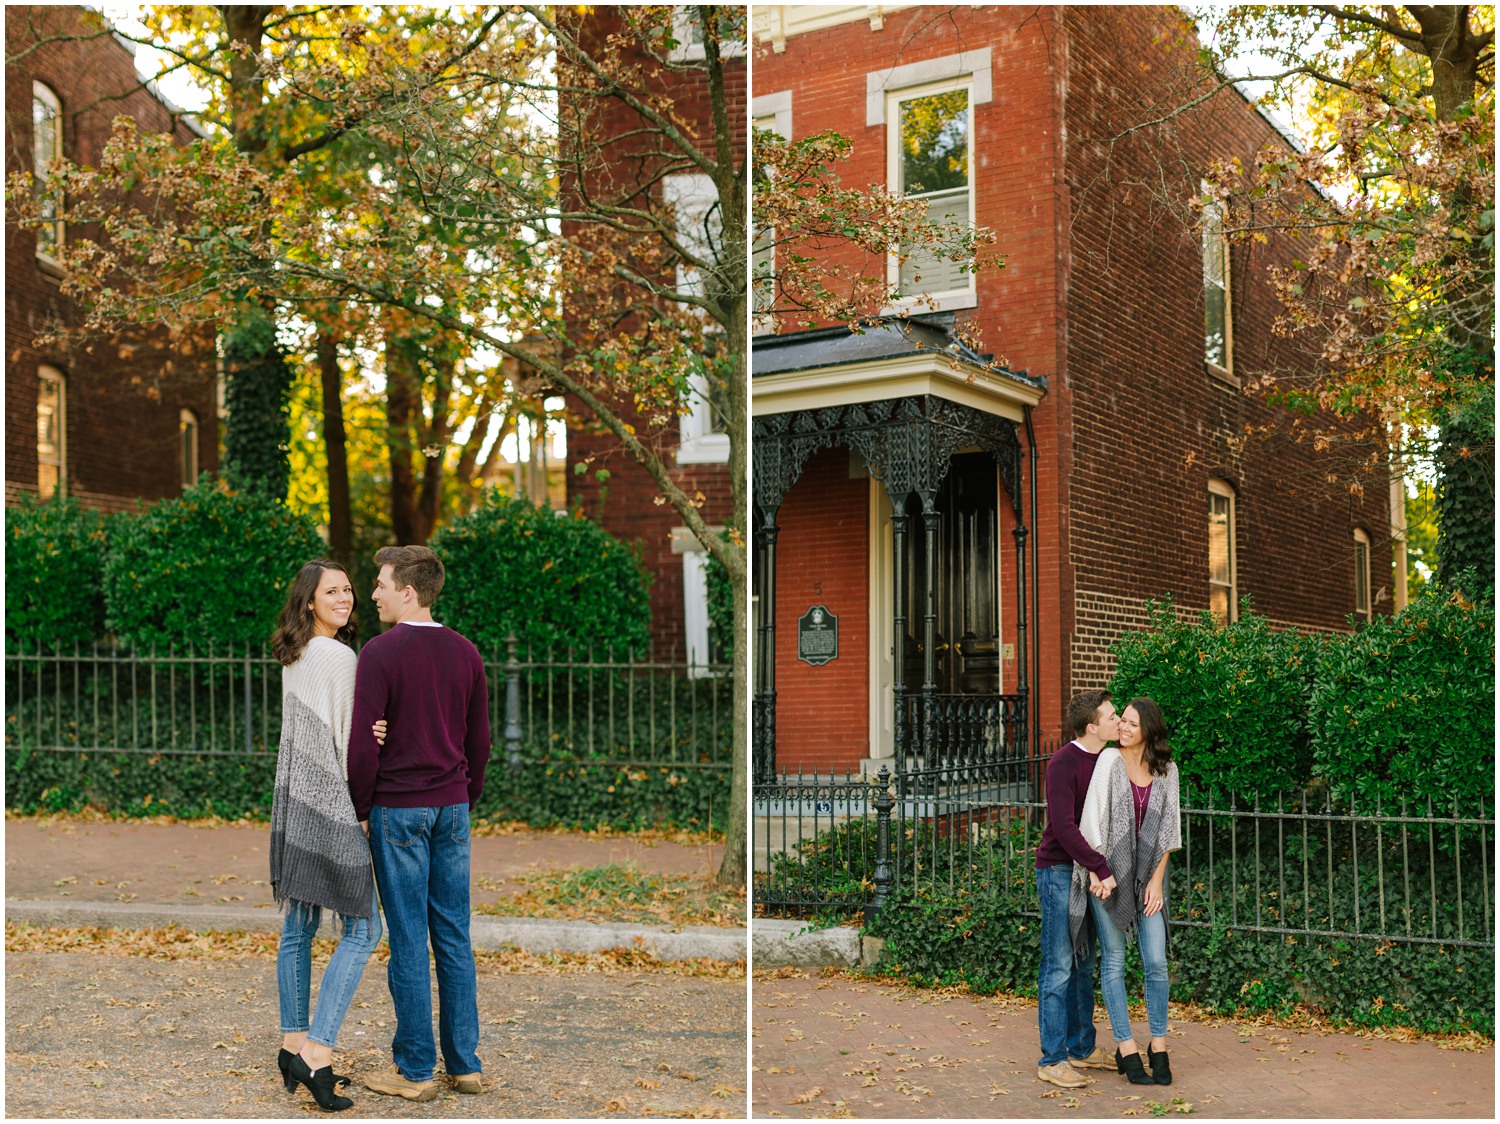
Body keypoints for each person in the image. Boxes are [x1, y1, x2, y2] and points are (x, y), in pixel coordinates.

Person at [348, 545, 491, 1101]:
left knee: (408, 938)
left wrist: (362, 808)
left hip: (398, 808)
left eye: (381, 583)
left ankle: (414, 1072)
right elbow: (478, 742)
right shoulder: (466, 653)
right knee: (453, 934)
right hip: (451, 806)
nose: (374, 593)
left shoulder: (381, 654)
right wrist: (464, 796)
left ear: (409, 591)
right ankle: (465, 1065)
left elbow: (364, 744)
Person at [269, 560, 381, 1113]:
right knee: (364, 927)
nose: (345, 598)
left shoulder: (298, 654)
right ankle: (316, 1053)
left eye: (348, 589)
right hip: (332, 802)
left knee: (299, 923)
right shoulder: (339, 656)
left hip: (295, 801)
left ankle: (292, 1042)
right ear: (308, 602)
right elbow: (354, 741)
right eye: (331, 591)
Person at [1072, 696, 1182, 1086]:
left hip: (1151, 877)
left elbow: (1170, 832)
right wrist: (1099, 872)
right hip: (1108, 876)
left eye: (1133, 724)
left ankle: (1159, 1043)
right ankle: (1126, 1045)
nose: (1124, 728)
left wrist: (1156, 880)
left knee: (1155, 961)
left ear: (1149, 730)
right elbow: (1091, 820)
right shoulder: (1108, 762)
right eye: (1123, 722)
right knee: (1115, 961)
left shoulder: (1167, 770)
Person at [1035, 689, 1121, 1089]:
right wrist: (1100, 868)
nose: (1119, 720)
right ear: (1093, 727)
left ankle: (1081, 1049)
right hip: (1058, 872)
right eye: (1112, 716)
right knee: (1058, 966)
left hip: (1087, 873)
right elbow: (1065, 828)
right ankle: (1052, 1060)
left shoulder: (1106, 760)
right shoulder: (1063, 762)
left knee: (1084, 963)